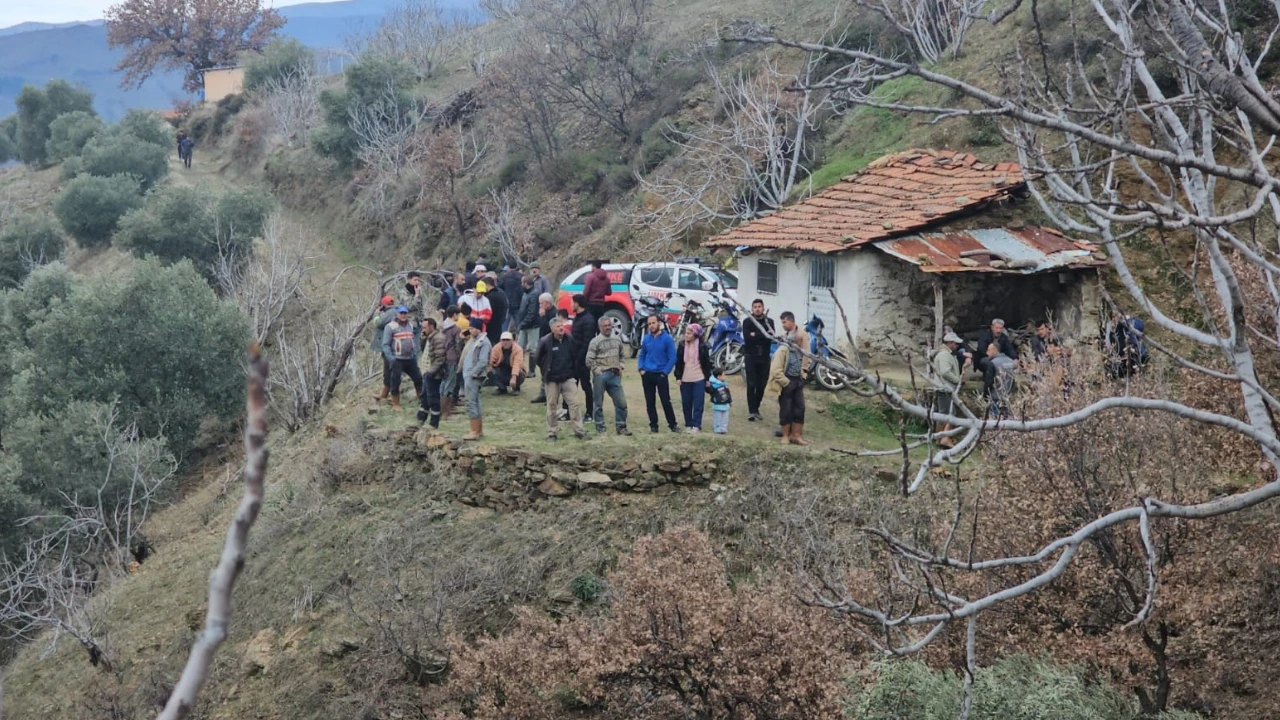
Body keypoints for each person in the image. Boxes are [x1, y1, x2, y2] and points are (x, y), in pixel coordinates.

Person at [535, 318, 587, 441]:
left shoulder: (570, 339)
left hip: (568, 378)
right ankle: (552, 433)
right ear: (552, 329)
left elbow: (575, 356)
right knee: (552, 406)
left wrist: (573, 372)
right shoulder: (545, 342)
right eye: (558, 326)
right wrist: (546, 371)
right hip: (552, 379)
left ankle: (579, 431)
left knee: (574, 404)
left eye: (561, 325)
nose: (561, 328)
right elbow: (537, 358)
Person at [768, 311, 811, 446]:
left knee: (800, 408)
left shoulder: (802, 340)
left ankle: (796, 436)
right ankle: (785, 435)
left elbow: (807, 357)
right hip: (787, 381)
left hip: (798, 379)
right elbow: (775, 370)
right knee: (786, 408)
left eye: (784, 321)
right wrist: (785, 382)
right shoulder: (783, 350)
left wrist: (803, 374)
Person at [586, 316, 631, 435]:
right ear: (600, 327)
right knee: (598, 403)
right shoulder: (595, 341)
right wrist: (597, 370)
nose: (607, 328)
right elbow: (589, 360)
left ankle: (621, 427)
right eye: (604, 326)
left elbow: (622, 355)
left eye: (609, 325)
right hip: (601, 375)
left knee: (621, 402)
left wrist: (621, 366)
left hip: (615, 375)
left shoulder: (617, 339)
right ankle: (600, 428)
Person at [637, 314, 679, 433]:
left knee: (665, 401)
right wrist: (641, 369)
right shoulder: (646, 339)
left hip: (661, 374)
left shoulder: (667, 339)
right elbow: (642, 355)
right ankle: (653, 426)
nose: (651, 326)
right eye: (649, 324)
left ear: (659, 323)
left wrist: (665, 373)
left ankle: (672, 425)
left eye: (653, 323)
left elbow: (672, 358)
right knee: (650, 402)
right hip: (647, 374)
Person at [381, 306, 423, 410]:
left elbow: (413, 340)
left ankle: (422, 401)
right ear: (397, 314)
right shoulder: (390, 327)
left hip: (410, 358)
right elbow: (385, 344)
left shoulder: (410, 325)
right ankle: (396, 404)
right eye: (401, 313)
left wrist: (415, 354)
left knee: (418, 379)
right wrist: (391, 358)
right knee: (395, 381)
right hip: (397, 359)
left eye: (405, 313)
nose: (403, 315)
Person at [674, 323, 712, 433]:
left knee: (698, 403)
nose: (686, 335)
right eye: (686, 333)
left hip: (699, 377)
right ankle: (688, 424)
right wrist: (678, 377)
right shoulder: (682, 345)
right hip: (685, 378)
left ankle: (697, 425)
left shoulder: (702, 346)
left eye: (689, 333)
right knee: (686, 403)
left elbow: (706, 363)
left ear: (695, 334)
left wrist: (707, 378)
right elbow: (679, 362)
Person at [742, 298, 775, 422]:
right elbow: (747, 338)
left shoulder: (769, 321)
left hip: (764, 357)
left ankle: (756, 408)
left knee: (761, 385)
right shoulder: (747, 322)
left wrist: (755, 335)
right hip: (751, 356)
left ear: (763, 308)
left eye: (759, 306)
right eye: (755, 307)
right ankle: (751, 411)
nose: (757, 309)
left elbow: (770, 336)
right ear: (752, 309)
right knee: (751, 384)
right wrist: (761, 335)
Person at [461, 320, 492, 440]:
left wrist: (472, 374)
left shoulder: (483, 342)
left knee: (470, 402)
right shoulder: (473, 340)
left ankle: (474, 431)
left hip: (473, 376)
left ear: (479, 329)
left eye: (473, 328)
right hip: (468, 374)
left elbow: (483, 361)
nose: (470, 330)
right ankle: (479, 430)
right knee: (475, 401)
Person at [932, 332, 964, 448]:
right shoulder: (945, 355)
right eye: (955, 344)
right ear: (950, 343)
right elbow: (945, 372)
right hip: (945, 388)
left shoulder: (946, 354)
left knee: (942, 413)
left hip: (942, 387)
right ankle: (945, 438)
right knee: (949, 414)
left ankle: (939, 437)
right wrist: (957, 380)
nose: (957, 346)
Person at [571, 294, 597, 416]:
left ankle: (590, 412)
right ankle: (569, 410)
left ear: (577, 303)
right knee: (570, 385)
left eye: (572, 302)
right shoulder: (578, 318)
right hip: (574, 357)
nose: (571, 305)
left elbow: (587, 342)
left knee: (586, 385)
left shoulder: (588, 320)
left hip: (582, 359)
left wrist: (580, 359)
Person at [418, 318, 447, 429]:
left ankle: (434, 423)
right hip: (426, 371)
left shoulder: (438, 338)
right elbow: (423, 350)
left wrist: (430, 373)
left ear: (431, 326)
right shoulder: (429, 338)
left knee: (432, 398)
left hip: (434, 374)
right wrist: (423, 339)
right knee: (424, 397)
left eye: (425, 327)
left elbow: (440, 359)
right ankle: (421, 419)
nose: (423, 329)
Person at [371, 294, 398, 403]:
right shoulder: (393, 312)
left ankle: (392, 394)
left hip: (389, 346)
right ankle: (385, 393)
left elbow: (378, 323)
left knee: (390, 370)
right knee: (387, 370)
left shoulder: (390, 313)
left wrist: (376, 314)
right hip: (390, 346)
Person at [985, 342, 1016, 419]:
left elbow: (989, 381)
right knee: (1006, 419)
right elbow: (1013, 380)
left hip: (995, 396)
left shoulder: (992, 363)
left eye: (988, 350)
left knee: (995, 421)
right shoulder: (1011, 361)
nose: (987, 353)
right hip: (1007, 396)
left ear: (994, 351)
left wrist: (985, 395)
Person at [516, 278, 541, 373]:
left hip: (532, 326)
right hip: (524, 324)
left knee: (532, 349)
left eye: (522, 283)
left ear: (525, 283)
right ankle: (519, 368)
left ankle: (531, 371)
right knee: (519, 346)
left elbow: (532, 312)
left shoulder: (534, 294)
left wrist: (523, 323)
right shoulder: (526, 293)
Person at [484, 273, 508, 345]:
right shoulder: (501, 293)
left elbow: (488, 311)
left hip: (491, 326)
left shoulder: (489, 297)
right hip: (499, 323)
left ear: (487, 285)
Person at [708, 367, 732, 435]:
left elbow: (728, 393)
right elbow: (710, 391)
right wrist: (708, 386)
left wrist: (730, 401)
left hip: (726, 404)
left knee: (725, 418)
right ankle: (717, 429)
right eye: (723, 375)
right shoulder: (713, 385)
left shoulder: (725, 384)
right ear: (719, 376)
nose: (725, 376)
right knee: (718, 418)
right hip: (718, 405)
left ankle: (724, 429)